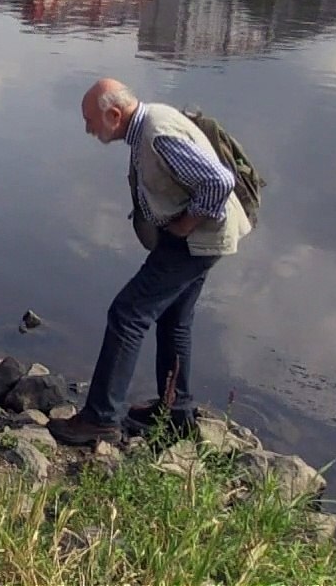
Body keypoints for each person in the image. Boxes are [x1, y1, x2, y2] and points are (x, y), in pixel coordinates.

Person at [48, 78, 251, 446]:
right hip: (204, 236)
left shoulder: (157, 134)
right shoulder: (150, 124)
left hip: (196, 237)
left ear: (114, 114)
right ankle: (175, 412)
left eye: (90, 120)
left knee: (128, 314)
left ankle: (100, 419)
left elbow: (220, 182)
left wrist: (185, 225)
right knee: (174, 319)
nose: (88, 129)